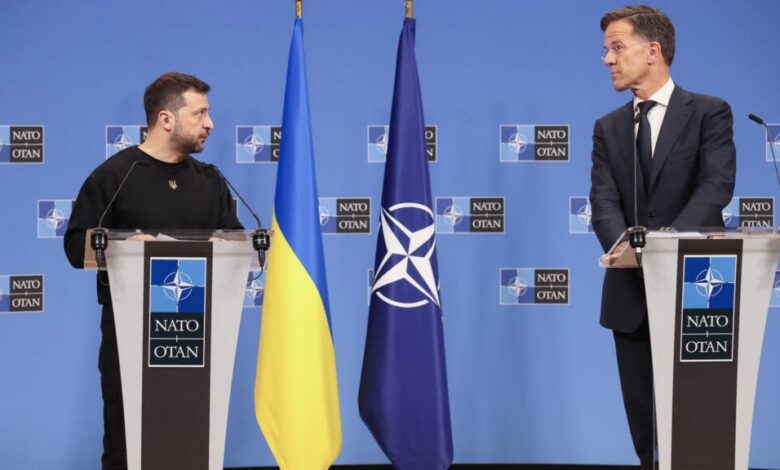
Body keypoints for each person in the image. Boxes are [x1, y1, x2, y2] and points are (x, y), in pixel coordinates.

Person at [64, 72, 242, 469]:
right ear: (166, 119)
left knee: (191, 446)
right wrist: (124, 248)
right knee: (128, 449)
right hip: (131, 338)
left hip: (196, 337)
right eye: (200, 114)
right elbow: (75, 247)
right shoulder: (114, 176)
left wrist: (227, 247)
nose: (210, 124)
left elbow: (237, 241)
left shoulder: (211, 181)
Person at [589, 5, 736, 470]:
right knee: (645, 430)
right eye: (606, 50)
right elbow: (603, 199)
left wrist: (664, 246)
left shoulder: (709, 113)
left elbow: (715, 187)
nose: (607, 59)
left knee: (697, 421)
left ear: (653, 51)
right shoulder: (608, 127)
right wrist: (624, 247)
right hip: (630, 294)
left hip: (698, 289)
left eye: (617, 47)